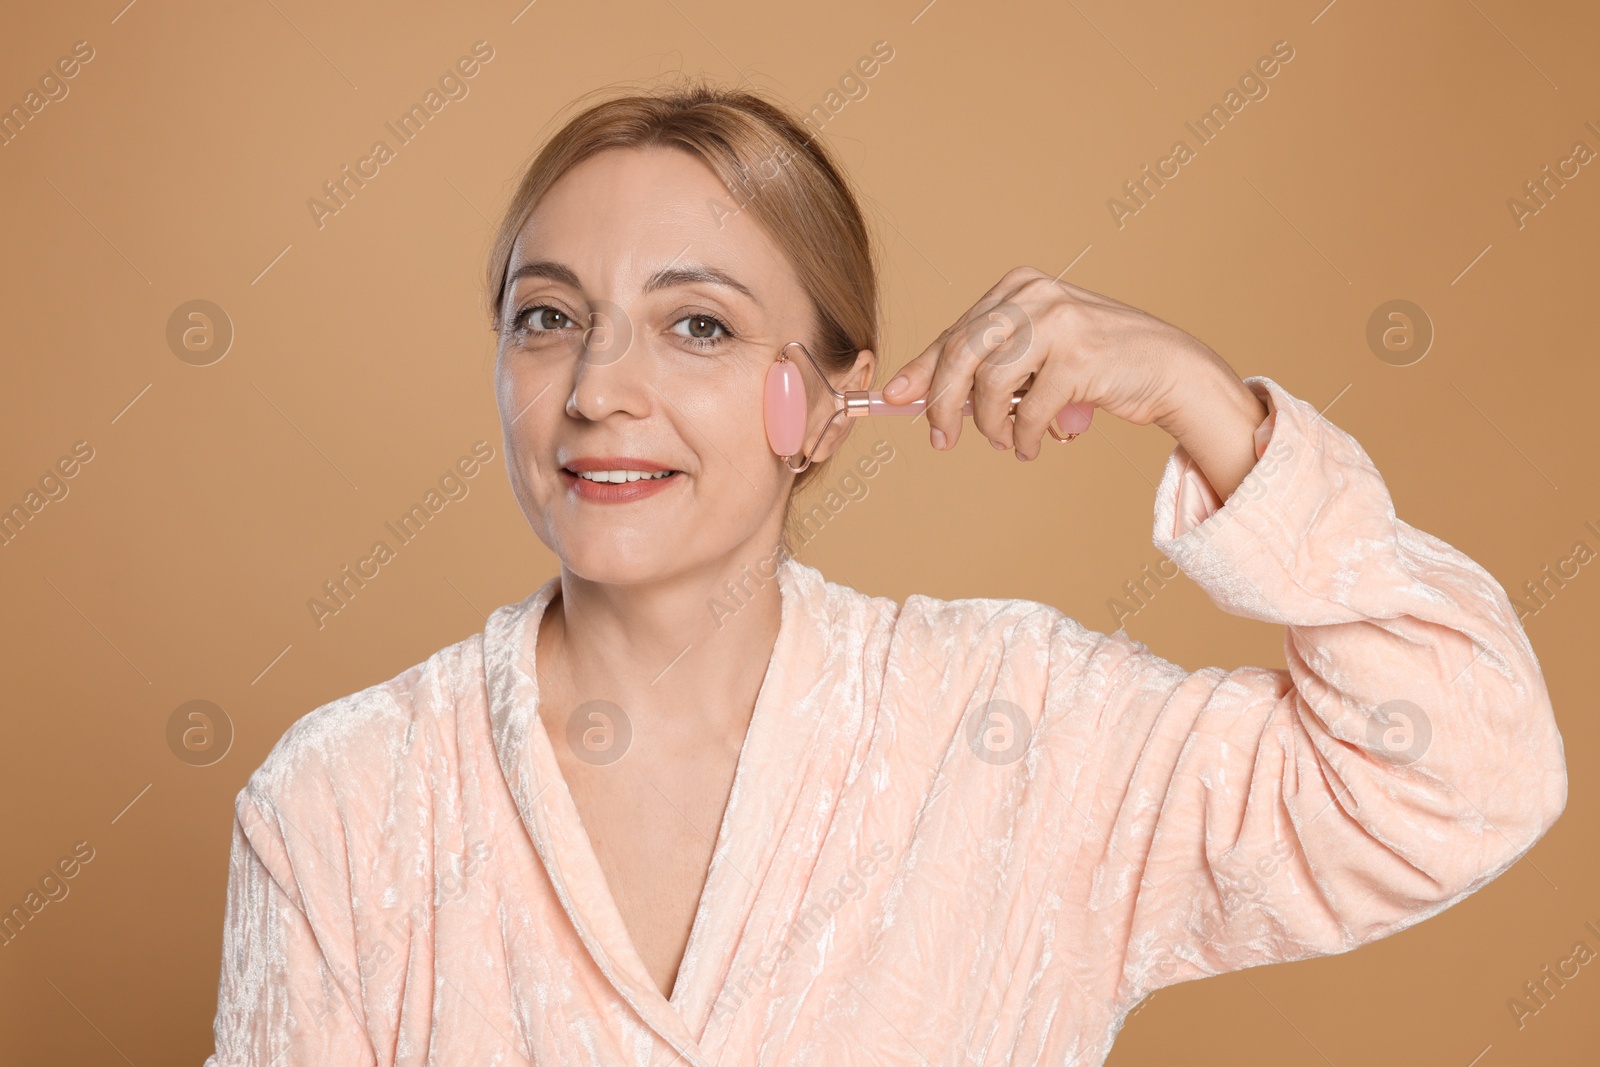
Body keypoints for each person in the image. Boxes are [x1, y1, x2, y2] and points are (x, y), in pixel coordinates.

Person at [204, 81, 1567, 1066]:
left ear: (834, 396)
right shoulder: (340, 804)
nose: (601, 390)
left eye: (697, 325)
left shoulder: (1022, 731)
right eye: (550, 318)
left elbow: (1465, 775)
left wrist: (1212, 408)